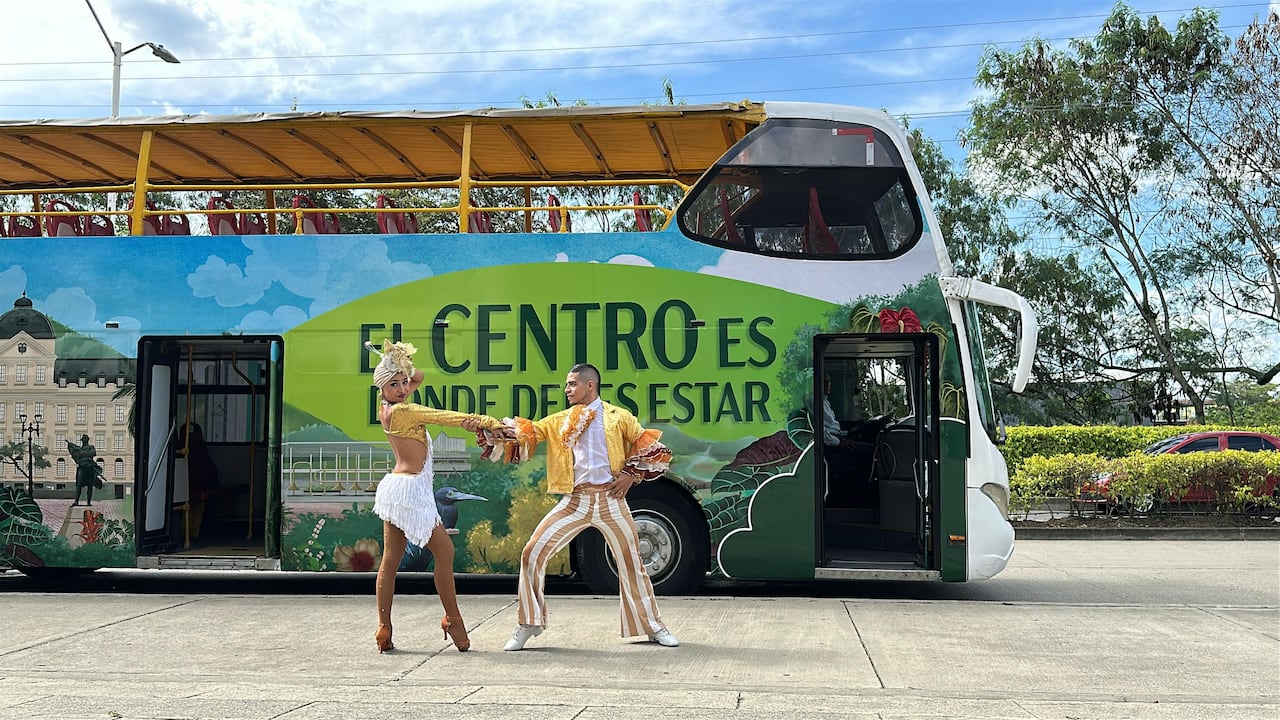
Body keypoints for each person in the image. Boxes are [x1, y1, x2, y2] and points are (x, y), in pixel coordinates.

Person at [476, 362, 680, 651]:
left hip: (611, 500)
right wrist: (490, 429)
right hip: (575, 501)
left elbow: (649, 448)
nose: (567, 389)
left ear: (589, 385)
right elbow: (526, 433)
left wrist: (630, 475)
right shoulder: (559, 420)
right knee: (532, 552)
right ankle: (529, 623)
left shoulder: (618, 417)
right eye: (567, 384)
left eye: (571, 384)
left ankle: (653, 626)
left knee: (632, 561)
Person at [365, 339, 506, 654]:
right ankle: (453, 620)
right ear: (382, 387)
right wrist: (482, 421)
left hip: (394, 488)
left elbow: (419, 377)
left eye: (403, 382)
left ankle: (384, 627)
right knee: (445, 553)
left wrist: (399, 362)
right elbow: (445, 417)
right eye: (394, 384)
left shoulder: (385, 408)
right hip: (412, 491)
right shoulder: (406, 411)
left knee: (390, 560)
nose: (403, 387)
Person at [821, 373, 877, 507]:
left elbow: (832, 428)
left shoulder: (824, 402)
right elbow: (820, 432)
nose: (827, 384)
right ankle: (858, 492)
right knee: (870, 452)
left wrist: (849, 433)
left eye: (828, 381)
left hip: (836, 440)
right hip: (829, 448)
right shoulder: (814, 403)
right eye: (823, 381)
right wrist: (841, 443)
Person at [68, 434, 104, 507]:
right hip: (82, 468)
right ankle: (76, 501)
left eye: (85, 439)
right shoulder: (79, 449)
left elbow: (93, 453)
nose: (84, 441)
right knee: (79, 485)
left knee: (90, 485)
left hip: (90, 468)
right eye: (83, 439)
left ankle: (88, 502)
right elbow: (78, 455)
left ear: (87, 440)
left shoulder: (91, 447)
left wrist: (82, 454)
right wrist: (84, 455)